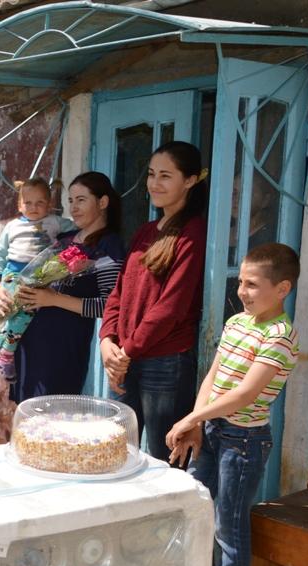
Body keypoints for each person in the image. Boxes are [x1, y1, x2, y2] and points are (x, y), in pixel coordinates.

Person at [165, 243, 301, 566]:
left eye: (253, 284)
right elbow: (214, 376)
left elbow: (245, 394)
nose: (243, 291)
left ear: (282, 289)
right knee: (193, 509)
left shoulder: (280, 335)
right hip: (212, 430)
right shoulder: (236, 323)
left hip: (244, 441)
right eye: (241, 282)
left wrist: (191, 417)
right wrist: (195, 423)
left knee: (229, 524)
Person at [99, 141, 208, 459]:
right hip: (123, 358)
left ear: (189, 181)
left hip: (164, 361)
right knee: (117, 454)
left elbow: (171, 306)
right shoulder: (146, 230)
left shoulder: (193, 232)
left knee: (163, 458)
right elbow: (119, 290)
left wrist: (125, 352)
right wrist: (107, 340)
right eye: (150, 174)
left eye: (165, 175)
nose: (154, 184)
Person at [0, 171, 126, 399]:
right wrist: (2, 291)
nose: (73, 208)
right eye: (71, 201)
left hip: (61, 352)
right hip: (27, 342)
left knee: (51, 420)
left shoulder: (108, 247)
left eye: (81, 200)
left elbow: (108, 306)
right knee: (28, 418)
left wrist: (53, 299)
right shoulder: (65, 238)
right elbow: (26, 274)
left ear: (103, 202)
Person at [0, 178, 74, 383]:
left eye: (40, 203)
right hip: (12, 274)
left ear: (49, 204)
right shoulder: (12, 226)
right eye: (28, 203)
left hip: (38, 277)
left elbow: (80, 230)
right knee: (19, 314)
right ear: (19, 205)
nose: (33, 207)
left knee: (16, 316)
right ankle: (6, 352)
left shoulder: (55, 222)